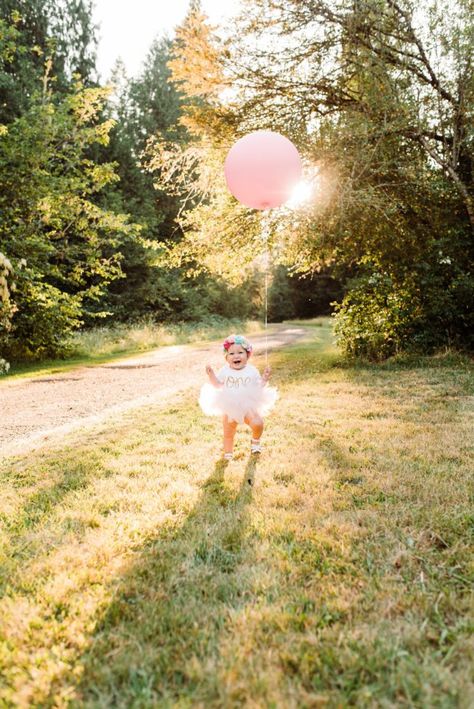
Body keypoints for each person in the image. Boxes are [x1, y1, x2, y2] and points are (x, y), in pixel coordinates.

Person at [199, 334, 278, 460]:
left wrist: (265, 378)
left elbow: (259, 386)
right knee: (228, 432)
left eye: (240, 352)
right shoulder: (225, 371)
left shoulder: (252, 370)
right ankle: (228, 453)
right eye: (231, 354)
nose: (236, 356)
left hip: (248, 405)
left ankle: (255, 442)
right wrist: (211, 375)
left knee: (258, 423)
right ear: (226, 357)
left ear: (247, 355)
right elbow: (218, 385)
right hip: (229, 405)